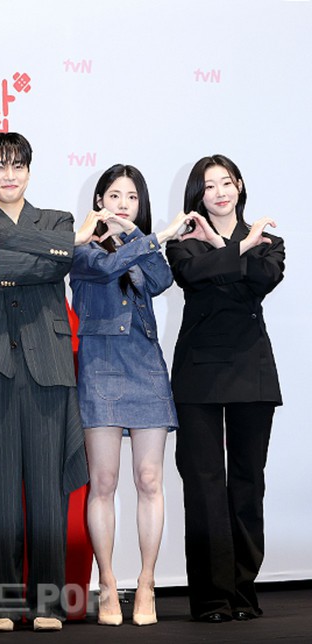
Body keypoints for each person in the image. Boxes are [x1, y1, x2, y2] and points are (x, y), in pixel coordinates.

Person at [0, 132, 99, 633]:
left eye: (17, 165)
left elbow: (58, 263)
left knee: (47, 492)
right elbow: (53, 258)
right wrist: (59, 250)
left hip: (48, 365)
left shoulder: (56, 220)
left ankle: (48, 605)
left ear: (30, 171)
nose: (8, 175)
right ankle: (3, 604)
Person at [166, 154, 284, 623]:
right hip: (198, 373)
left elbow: (262, 281)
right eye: (209, 185)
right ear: (198, 194)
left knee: (247, 484)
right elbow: (193, 276)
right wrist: (233, 250)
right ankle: (212, 598)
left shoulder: (268, 241)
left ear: (239, 186)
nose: (219, 192)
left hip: (252, 371)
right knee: (204, 485)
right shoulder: (182, 241)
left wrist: (226, 248)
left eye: (226, 182)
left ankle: (242, 592)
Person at [70, 164, 189, 627]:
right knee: (103, 481)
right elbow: (105, 267)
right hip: (100, 366)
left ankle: (146, 582)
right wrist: (153, 237)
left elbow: (160, 282)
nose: (123, 203)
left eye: (132, 197)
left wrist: (139, 237)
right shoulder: (82, 246)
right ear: (100, 200)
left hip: (145, 365)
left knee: (149, 478)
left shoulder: (141, 247)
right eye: (115, 195)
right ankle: (106, 581)